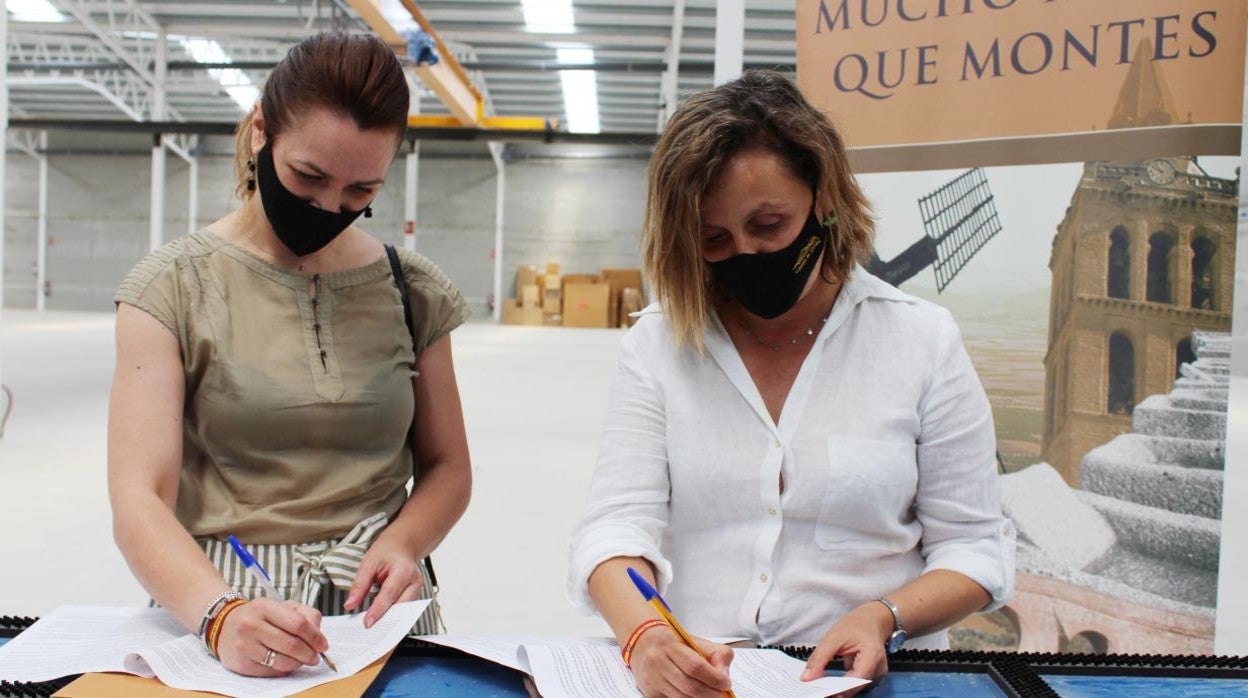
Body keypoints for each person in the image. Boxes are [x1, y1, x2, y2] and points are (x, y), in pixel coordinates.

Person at [567, 69, 1015, 698]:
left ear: (823, 199)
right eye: (714, 238)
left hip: (867, 683)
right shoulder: (658, 345)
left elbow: (975, 550)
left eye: (769, 225)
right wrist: (645, 636)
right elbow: (614, 529)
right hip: (705, 679)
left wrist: (883, 616)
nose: (745, 253)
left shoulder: (921, 342)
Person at [108, 32, 472, 677]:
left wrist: (405, 542)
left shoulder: (410, 289)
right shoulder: (169, 287)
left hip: (375, 612)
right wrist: (219, 615)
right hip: (219, 609)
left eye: (361, 191)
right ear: (260, 134)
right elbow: (140, 496)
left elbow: (448, 467)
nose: (329, 207)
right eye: (308, 176)